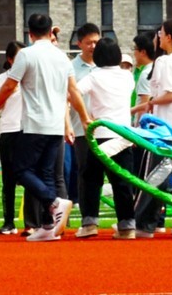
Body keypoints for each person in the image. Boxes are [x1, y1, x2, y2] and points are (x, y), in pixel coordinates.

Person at [0, 13, 91, 242]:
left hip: (35, 124)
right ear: (50, 31)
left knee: (21, 170)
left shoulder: (26, 54)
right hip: (55, 125)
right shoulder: (62, 57)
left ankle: (53, 204)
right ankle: (47, 226)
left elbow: (8, 85)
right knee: (47, 175)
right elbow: (73, 91)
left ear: (29, 33)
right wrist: (84, 117)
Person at [75, 37, 137, 239]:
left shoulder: (94, 76)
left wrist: (86, 116)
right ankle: (127, 225)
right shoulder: (127, 76)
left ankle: (90, 223)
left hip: (100, 136)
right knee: (122, 182)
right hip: (123, 135)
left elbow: (74, 92)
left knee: (91, 180)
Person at [0, 41, 24, 235]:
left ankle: (32, 221)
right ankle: (8, 221)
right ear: (10, 60)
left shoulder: (31, 78)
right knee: (8, 180)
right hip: (9, 130)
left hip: (28, 131)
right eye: (18, 58)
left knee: (29, 177)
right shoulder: (0, 79)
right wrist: (10, 89)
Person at [68, 23, 100, 217]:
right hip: (81, 128)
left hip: (105, 128)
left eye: (96, 42)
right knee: (85, 172)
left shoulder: (105, 65)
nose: (93, 46)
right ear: (79, 43)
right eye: (89, 43)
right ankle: (87, 216)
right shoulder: (71, 68)